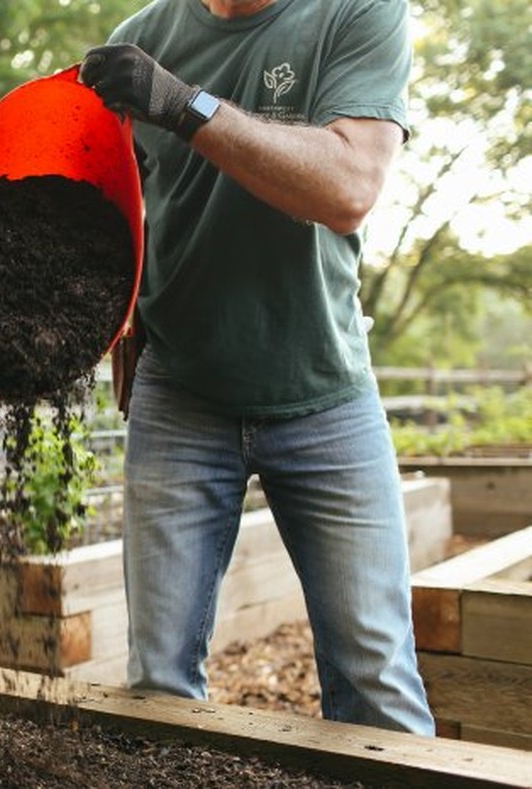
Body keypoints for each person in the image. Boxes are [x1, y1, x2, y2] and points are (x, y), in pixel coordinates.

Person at [79, 0, 435, 734]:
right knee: (158, 686)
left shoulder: (358, 12)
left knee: (378, 682)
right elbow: (110, 198)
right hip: (180, 392)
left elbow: (348, 188)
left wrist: (183, 104)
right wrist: (115, 307)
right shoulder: (140, 42)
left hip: (323, 393)